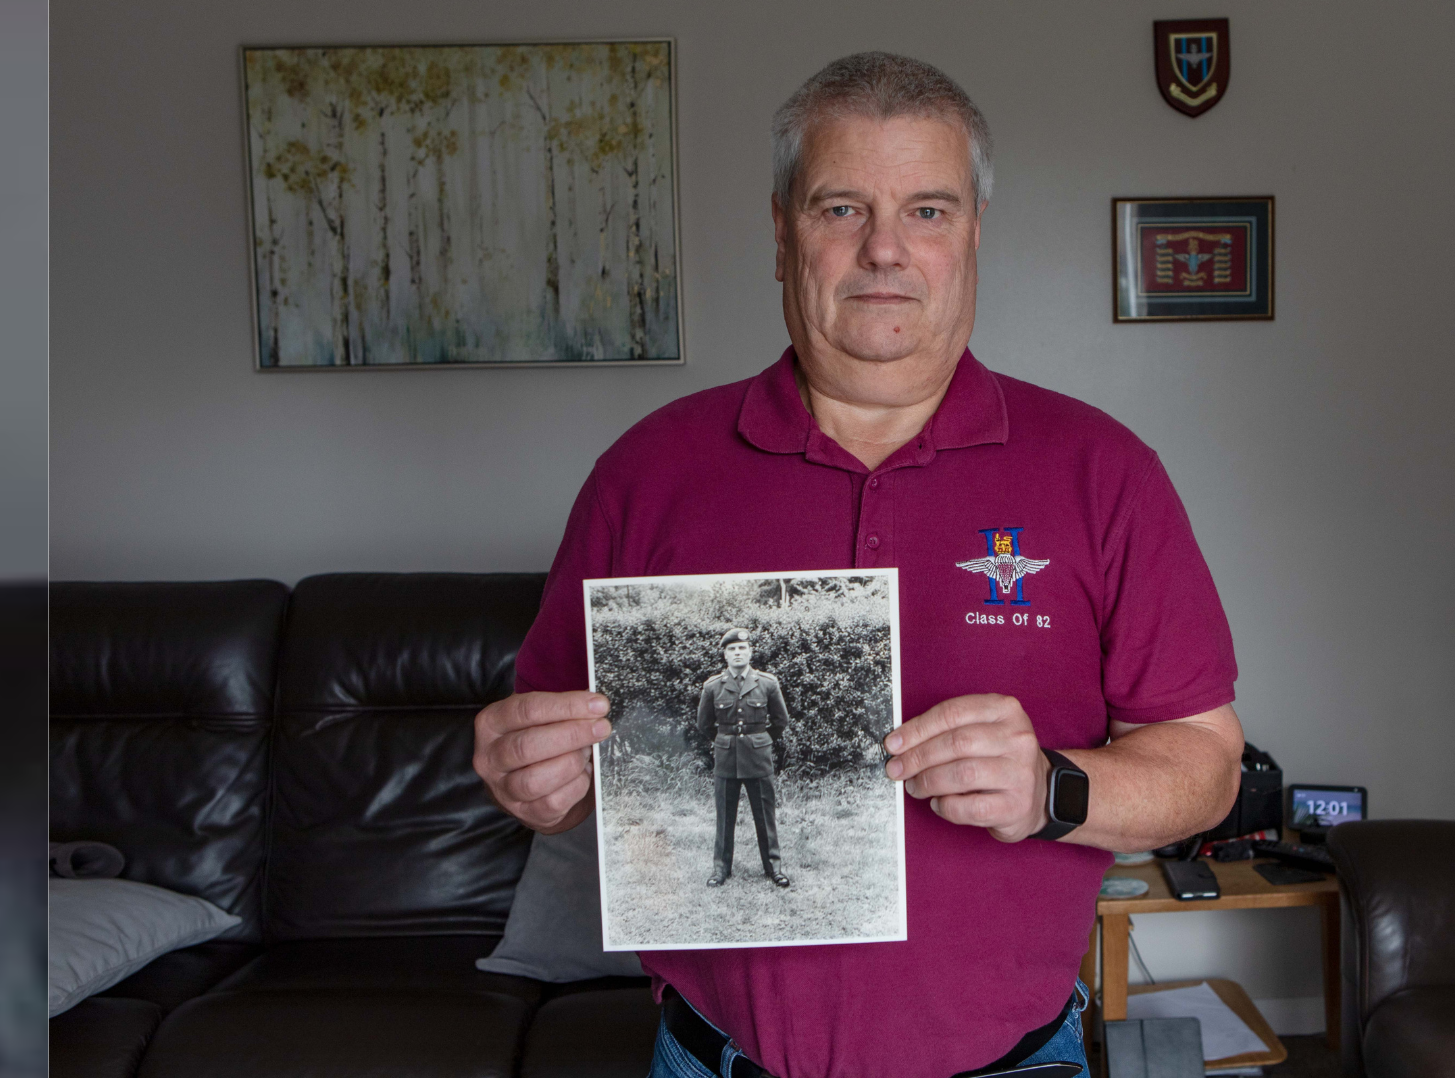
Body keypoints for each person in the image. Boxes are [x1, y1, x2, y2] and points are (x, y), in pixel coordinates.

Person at [471, 51, 1244, 1078]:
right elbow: (570, 769)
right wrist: (532, 779)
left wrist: (1055, 789)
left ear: (972, 234)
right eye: (842, 208)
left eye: (927, 210)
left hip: (1015, 1062)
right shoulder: (646, 472)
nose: (884, 248)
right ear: (784, 233)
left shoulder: (1105, 471)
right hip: (713, 1061)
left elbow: (1206, 765)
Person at [696, 628, 791, 888]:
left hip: (758, 758)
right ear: (725, 655)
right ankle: (720, 870)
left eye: (742, 648)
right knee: (724, 817)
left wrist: (761, 739)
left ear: (750, 652)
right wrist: (724, 740)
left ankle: (774, 868)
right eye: (732, 649)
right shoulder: (713, 686)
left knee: (765, 816)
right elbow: (704, 724)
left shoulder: (768, 683)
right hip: (726, 759)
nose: (738, 653)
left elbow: (781, 720)